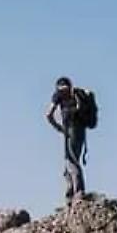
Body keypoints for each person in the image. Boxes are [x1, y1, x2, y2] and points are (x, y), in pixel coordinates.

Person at [45, 76, 92, 206]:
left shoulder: (58, 95)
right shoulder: (77, 94)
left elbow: (48, 114)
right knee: (68, 166)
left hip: (70, 129)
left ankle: (78, 193)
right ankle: (71, 196)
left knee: (71, 162)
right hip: (80, 130)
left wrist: (58, 127)